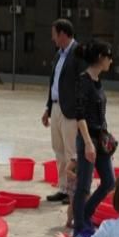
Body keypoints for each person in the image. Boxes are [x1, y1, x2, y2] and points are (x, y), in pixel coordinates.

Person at [71, 40, 116, 237]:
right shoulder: (83, 80)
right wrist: (88, 143)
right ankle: (79, 227)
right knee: (84, 186)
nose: (111, 61)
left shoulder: (98, 81)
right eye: (109, 56)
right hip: (88, 138)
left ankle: (86, 214)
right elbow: (79, 115)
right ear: (100, 57)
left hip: (101, 139)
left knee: (109, 181)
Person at [42, 18, 83, 204]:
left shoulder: (78, 54)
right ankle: (63, 188)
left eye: (54, 35)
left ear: (63, 34)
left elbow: (83, 84)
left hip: (71, 111)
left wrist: (80, 110)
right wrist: (48, 108)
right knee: (58, 150)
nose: (52, 39)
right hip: (56, 107)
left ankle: (74, 191)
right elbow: (54, 83)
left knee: (71, 152)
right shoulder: (59, 55)